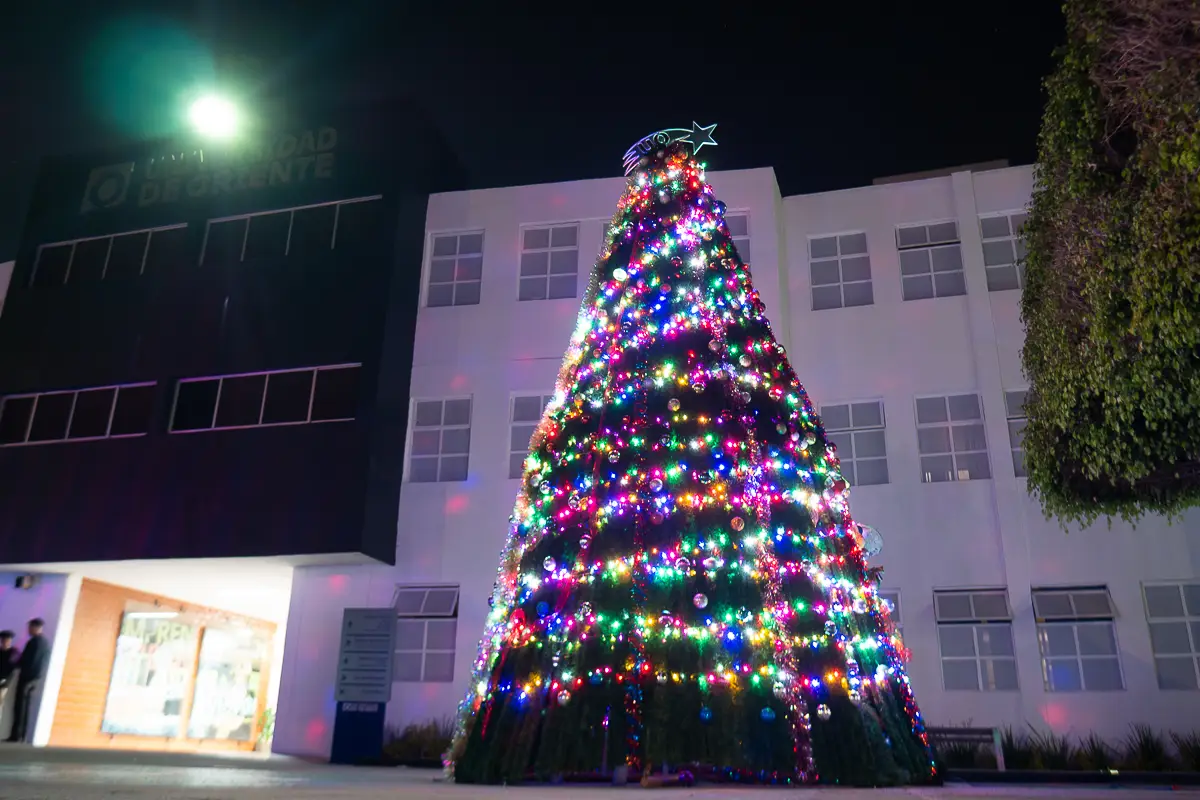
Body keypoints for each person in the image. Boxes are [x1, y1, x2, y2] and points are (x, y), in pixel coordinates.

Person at [5, 619, 49, 744]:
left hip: (27, 678)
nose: (28, 631)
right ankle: (21, 736)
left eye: (30, 628)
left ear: (36, 627)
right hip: (35, 679)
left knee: (20, 707)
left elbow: (27, 660)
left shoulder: (34, 642)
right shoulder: (45, 643)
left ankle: (16, 736)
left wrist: (15, 663)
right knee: (25, 708)